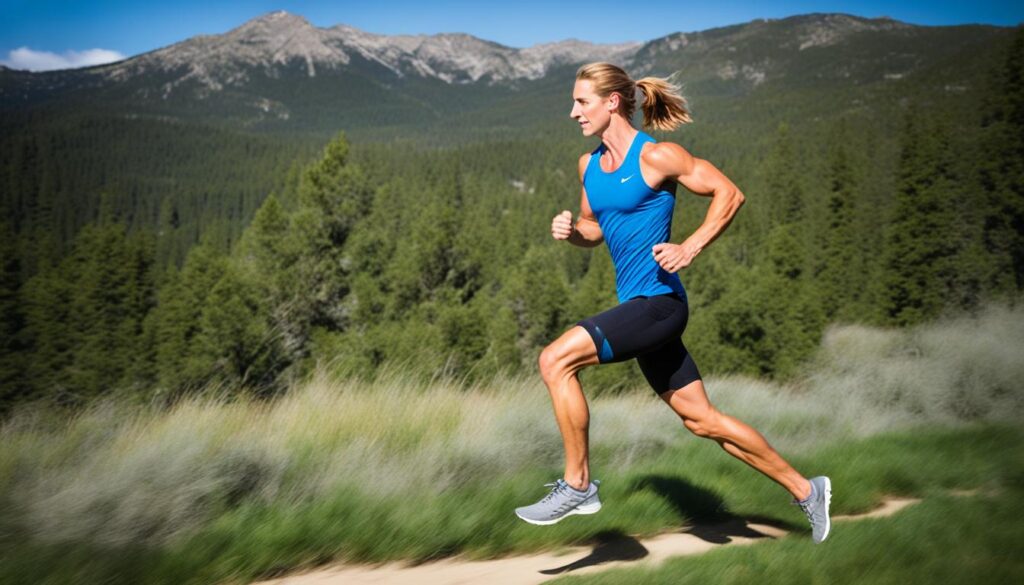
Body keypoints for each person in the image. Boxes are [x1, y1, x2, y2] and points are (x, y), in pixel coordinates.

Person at [513, 62, 832, 543]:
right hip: (640, 305)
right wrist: (574, 232)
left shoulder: (658, 156)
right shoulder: (589, 166)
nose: (573, 112)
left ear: (612, 103)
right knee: (702, 420)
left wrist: (690, 246)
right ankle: (807, 489)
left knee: (555, 359)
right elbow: (596, 228)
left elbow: (729, 192)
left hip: (660, 302)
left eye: (581, 102)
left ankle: (578, 484)